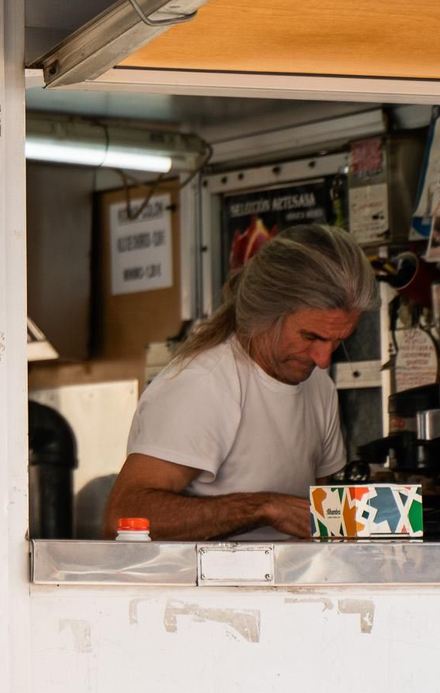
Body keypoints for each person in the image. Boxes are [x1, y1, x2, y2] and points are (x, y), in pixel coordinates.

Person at [105, 223, 376, 541]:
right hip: (201, 590)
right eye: (310, 336)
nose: (323, 359)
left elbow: (317, 521)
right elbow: (120, 518)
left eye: (338, 340)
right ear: (266, 313)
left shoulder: (319, 388)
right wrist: (262, 508)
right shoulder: (203, 386)